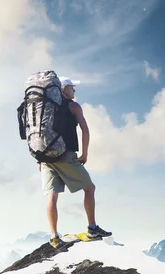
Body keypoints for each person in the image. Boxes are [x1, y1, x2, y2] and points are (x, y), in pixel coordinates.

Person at [40, 76, 112, 248]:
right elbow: (85, 130)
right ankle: (92, 229)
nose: (75, 90)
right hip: (65, 155)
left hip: (45, 157)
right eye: (72, 87)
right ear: (64, 90)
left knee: (52, 195)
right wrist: (85, 153)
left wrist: (40, 159)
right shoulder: (73, 106)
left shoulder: (47, 107)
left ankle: (54, 236)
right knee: (90, 188)